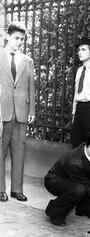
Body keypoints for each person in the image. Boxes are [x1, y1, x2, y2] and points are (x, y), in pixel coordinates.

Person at [0, 21, 36, 202]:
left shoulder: (28, 61)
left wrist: (32, 110)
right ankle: (0, 188)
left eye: (22, 39)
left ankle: (16, 189)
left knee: (19, 150)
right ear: (7, 36)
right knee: (0, 150)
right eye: (16, 38)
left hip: (21, 110)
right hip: (2, 110)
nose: (19, 42)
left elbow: (31, 87)